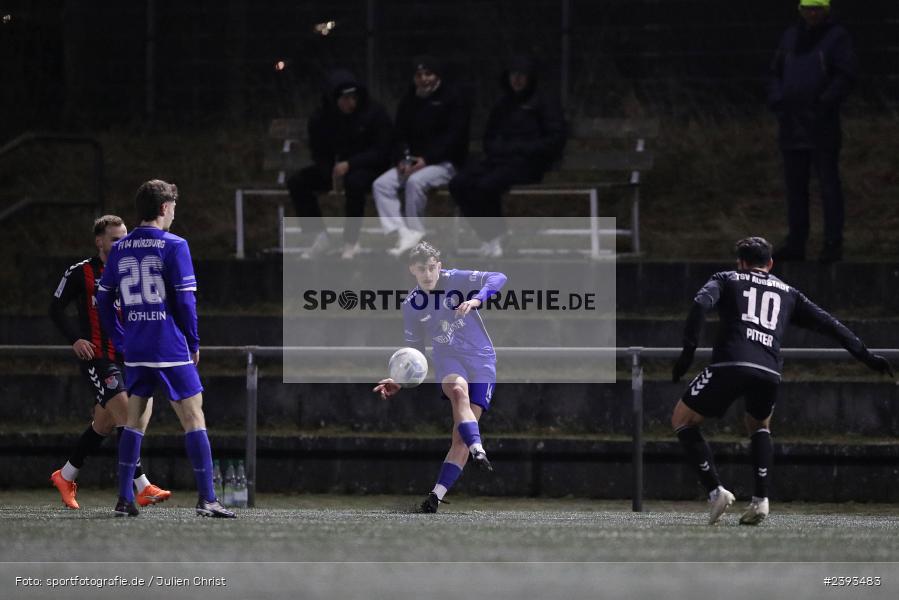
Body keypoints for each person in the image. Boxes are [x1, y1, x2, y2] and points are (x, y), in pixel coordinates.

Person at [670, 237, 893, 525]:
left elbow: (701, 302)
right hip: (768, 370)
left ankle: (716, 492)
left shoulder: (726, 278)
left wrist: (687, 354)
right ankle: (761, 500)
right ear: (770, 263)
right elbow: (830, 324)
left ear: (740, 262)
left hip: (730, 364)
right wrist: (866, 356)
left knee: (683, 419)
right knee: (759, 425)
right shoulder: (788, 292)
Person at [97, 180, 235, 518]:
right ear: (163, 208)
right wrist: (193, 341)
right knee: (193, 416)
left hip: (137, 346)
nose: (174, 213)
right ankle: (207, 499)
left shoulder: (120, 248)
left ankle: (124, 498)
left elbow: (103, 299)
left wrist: (120, 338)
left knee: (135, 420)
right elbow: (185, 301)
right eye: (172, 206)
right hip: (169, 344)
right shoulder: (175, 245)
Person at [48, 215, 170, 510]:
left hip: (128, 356)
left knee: (103, 424)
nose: (122, 243)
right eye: (115, 239)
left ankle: (66, 475)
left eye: (125, 237)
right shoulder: (81, 272)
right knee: (128, 415)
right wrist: (76, 339)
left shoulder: (131, 269)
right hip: (97, 358)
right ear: (99, 241)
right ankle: (141, 486)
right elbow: (55, 309)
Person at [374, 241, 506, 512]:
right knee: (457, 390)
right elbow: (416, 354)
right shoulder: (412, 305)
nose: (428, 274)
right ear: (412, 270)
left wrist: (476, 299)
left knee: (460, 437)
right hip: (448, 359)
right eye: (421, 269)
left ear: (439, 267)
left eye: (432, 267)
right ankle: (478, 448)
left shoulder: (455, 279)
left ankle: (435, 496)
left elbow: (499, 277)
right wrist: (399, 380)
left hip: (482, 359)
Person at [768, 0, 858, 264]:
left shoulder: (836, 37)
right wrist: (778, 100)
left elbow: (845, 75)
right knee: (796, 188)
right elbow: (775, 72)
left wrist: (823, 103)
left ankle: (832, 242)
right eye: (808, 8)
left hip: (821, 124)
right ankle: (797, 242)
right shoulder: (790, 36)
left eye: (817, 8)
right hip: (792, 123)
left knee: (828, 186)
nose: (812, 13)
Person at [450, 56, 566, 257]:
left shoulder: (543, 102)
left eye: (522, 75)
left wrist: (522, 149)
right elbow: (489, 137)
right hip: (498, 161)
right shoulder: (503, 104)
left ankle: (497, 236)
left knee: (486, 186)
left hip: (528, 163)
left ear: (530, 78)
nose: (517, 80)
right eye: (513, 75)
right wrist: (497, 149)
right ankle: (491, 236)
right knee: (458, 184)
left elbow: (554, 139)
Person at [286, 69, 393, 260]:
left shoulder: (373, 112)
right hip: (339, 169)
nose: (350, 103)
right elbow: (319, 151)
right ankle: (319, 236)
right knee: (297, 182)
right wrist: (329, 171)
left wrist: (351, 164)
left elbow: (382, 150)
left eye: (353, 97)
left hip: (369, 167)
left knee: (355, 183)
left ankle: (351, 241)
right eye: (345, 99)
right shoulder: (322, 118)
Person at [372, 57, 470, 256]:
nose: (423, 79)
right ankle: (402, 232)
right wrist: (402, 159)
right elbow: (398, 136)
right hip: (413, 162)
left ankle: (416, 231)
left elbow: (454, 139)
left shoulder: (452, 99)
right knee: (381, 185)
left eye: (428, 74)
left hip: (444, 164)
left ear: (437, 76)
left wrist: (427, 160)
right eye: (419, 75)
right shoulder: (409, 101)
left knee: (415, 182)